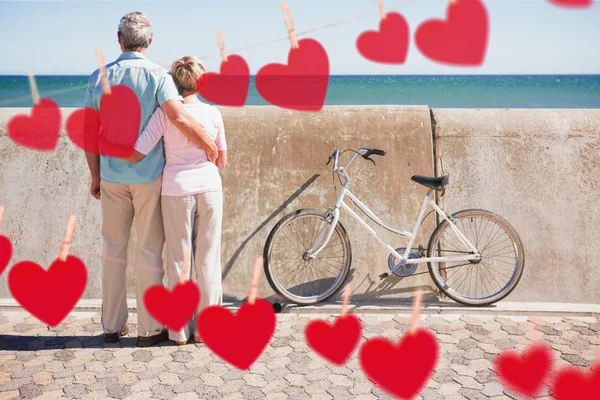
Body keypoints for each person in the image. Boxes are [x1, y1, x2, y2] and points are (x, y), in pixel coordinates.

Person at [84, 12, 218, 347]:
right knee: (149, 251)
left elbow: (89, 133)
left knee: (113, 251)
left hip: (113, 176)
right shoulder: (160, 76)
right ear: (150, 41)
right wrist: (208, 143)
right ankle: (149, 330)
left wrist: (95, 176)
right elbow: (178, 116)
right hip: (151, 179)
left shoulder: (97, 77)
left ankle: (112, 327)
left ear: (119, 39)